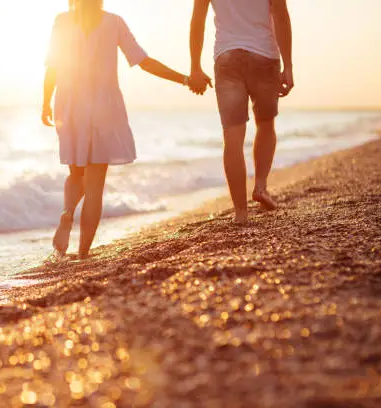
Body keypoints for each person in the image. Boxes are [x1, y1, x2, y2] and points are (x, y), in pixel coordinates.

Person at [42, 0, 190, 260]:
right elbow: (143, 61)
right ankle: (83, 252)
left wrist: (45, 102)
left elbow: (53, 66)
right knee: (95, 184)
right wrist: (184, 79)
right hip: (103, 107)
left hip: (69, 105)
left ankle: (67, 213)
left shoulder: (62, 21)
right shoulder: (114, 22)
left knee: (76, 174)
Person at [188, 0, 294, 224]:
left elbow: (198, 19)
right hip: (264, 55)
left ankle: (240, 213)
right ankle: (261, 187)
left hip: (227, 58)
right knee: (265, 124)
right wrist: (289, 65)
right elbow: (281, 15)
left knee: (232, 137)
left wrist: (195, 67)